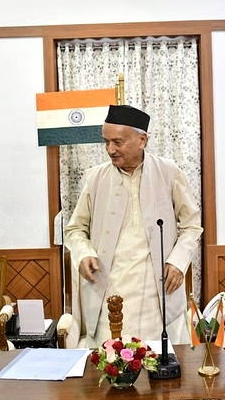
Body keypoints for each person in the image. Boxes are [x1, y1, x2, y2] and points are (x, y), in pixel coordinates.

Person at [64, 104, 203, 348]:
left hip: (156, 291)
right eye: (106, 142)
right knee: (112, 368)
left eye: (117, 142)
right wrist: (83, 253)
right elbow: (75, 229)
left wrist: (178, 262)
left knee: (160, 370)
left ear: (142, 140)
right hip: (109, 291)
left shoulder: (168, 172)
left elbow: (192, 225)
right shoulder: (96, 178)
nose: (110, 150)